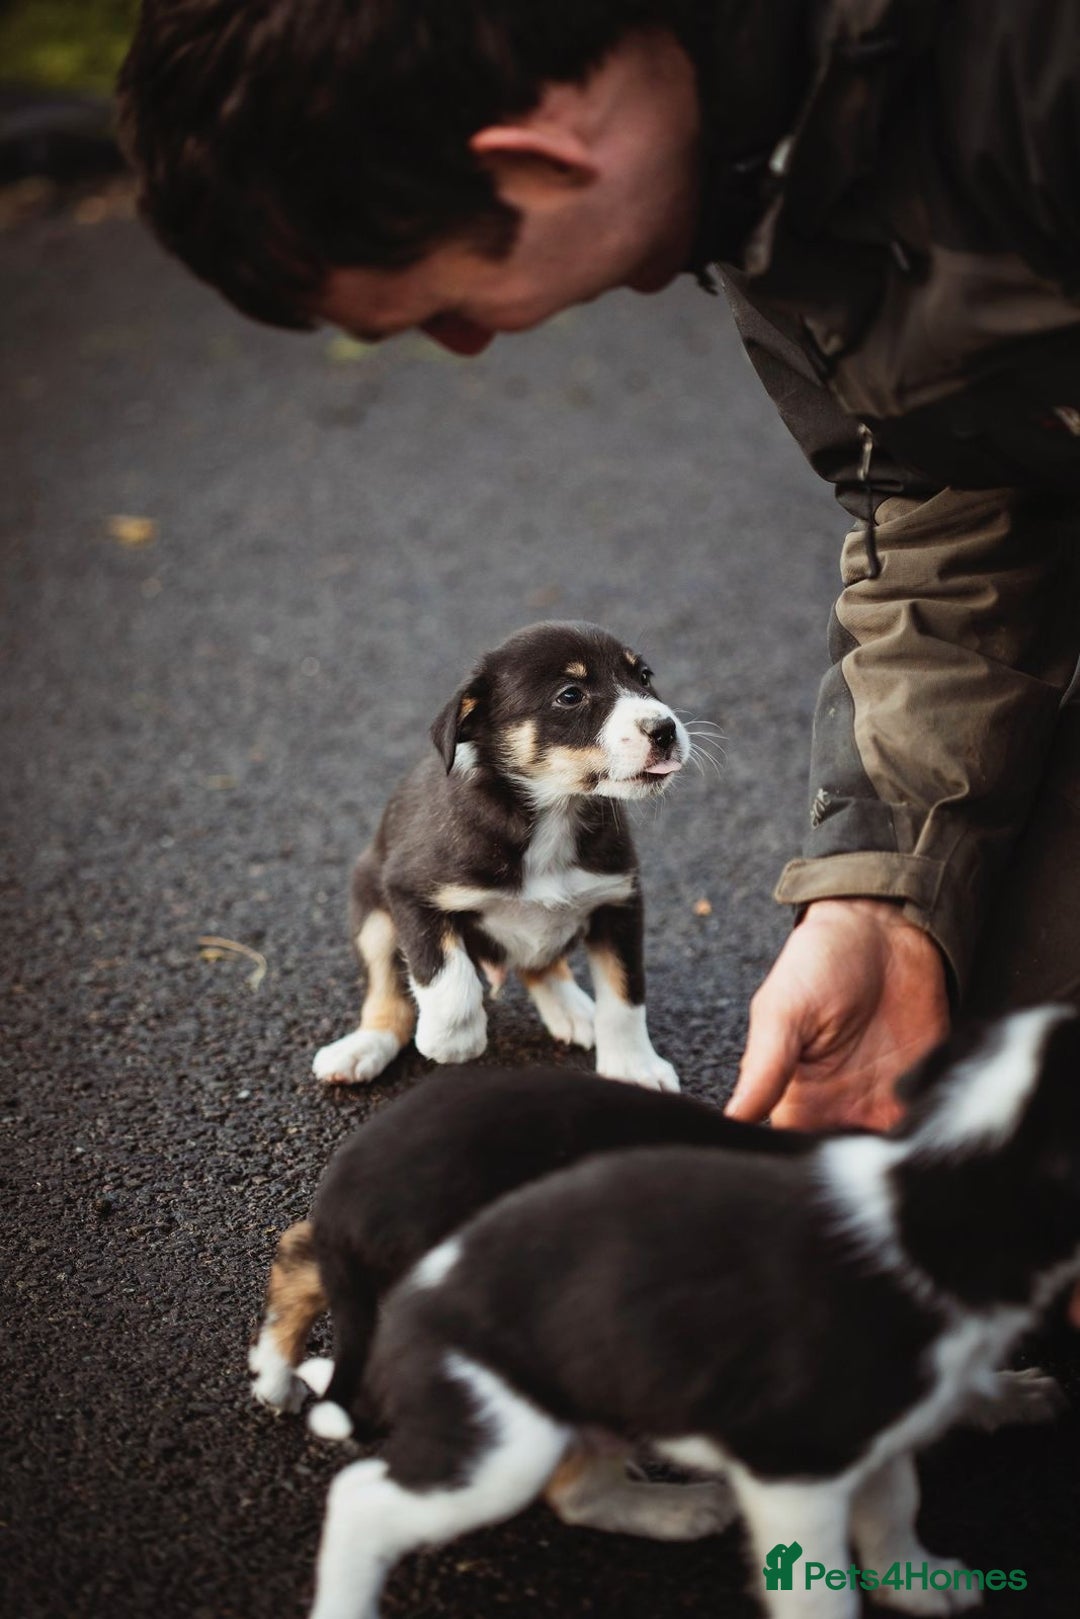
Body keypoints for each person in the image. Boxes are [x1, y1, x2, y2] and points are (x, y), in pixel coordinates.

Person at [116, 0, 1080, 1132]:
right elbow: (944, 498)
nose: (471, 345)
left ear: (529, 164)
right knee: (973, 1087)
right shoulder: (761, 219)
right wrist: (887, 897)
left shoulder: (1026, 72)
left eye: (448, 308)